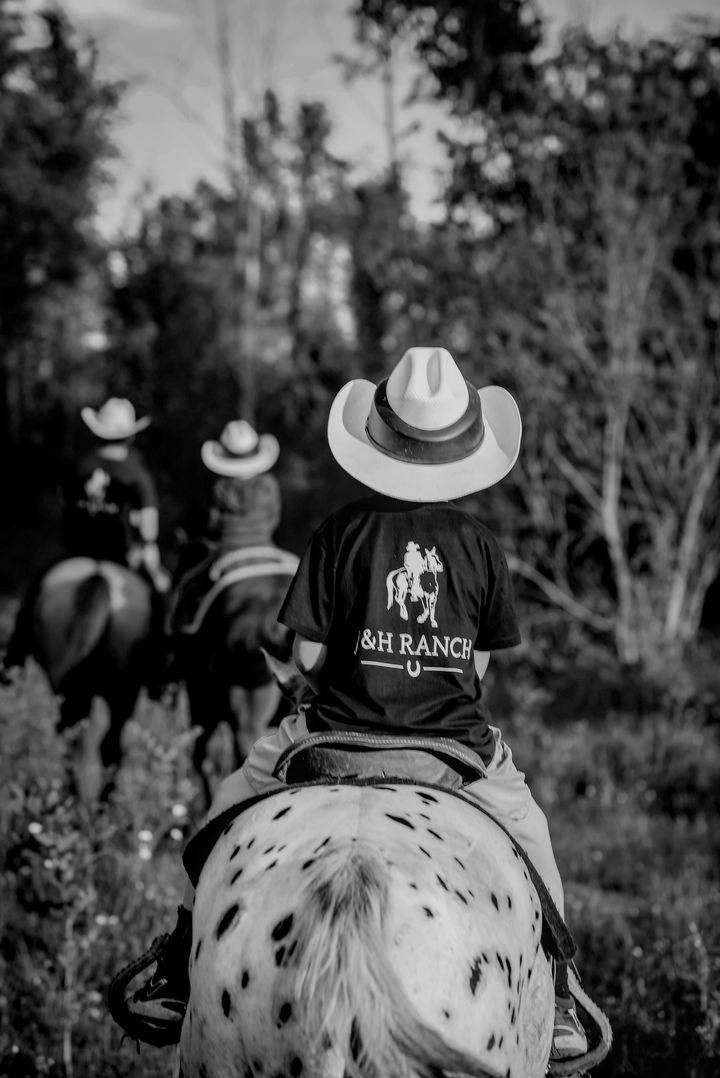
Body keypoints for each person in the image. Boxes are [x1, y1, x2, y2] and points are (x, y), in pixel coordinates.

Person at [110, 347, 589, 1061]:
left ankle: (183, 964)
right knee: (532, 830)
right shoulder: (482, 545)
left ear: (380, 442)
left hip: (333, 740)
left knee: (228, 803)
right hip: (451, 752)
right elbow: (480, 665)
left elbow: (304, 658)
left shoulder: (337, 532)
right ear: (463, 450)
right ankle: (561, 998)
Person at [1, 397, 169, 681]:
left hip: (75, 554)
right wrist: (154, 571)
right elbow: (149, 533)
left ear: (98, 432)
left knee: (35, 592)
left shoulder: (80, 466)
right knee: (159, 601)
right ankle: (160, 674)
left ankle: (14, 660)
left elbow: (64, 509)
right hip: (120, 558)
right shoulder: (138, 475)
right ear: (130, 436)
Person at [165, 418, 282, 640]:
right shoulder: (269, 485)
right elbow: (273, 521)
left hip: (227, 553)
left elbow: (212, 525)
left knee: (188, 585)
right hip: (266, 548)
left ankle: (178, 641)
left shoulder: (220, 488)